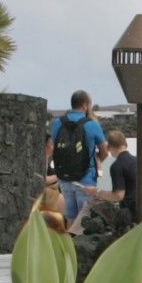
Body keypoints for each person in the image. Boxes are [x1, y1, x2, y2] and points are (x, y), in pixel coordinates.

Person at [45, 90, 106, 226]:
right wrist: (98, 161)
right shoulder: (92, 125)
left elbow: (54, 147)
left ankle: (69, 246)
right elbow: (104, 151)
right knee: (85, 219)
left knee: (70, 218)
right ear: (85, 105)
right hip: (86, 178)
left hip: (65, 177)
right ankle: (81, 246)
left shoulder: (57, 123)